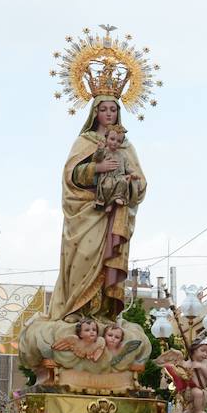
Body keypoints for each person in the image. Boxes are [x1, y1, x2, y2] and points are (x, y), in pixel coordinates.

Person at [52, 96, 148, 321]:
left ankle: (103, 313)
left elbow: (141, 184)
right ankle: (76, 309)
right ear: (95, 112)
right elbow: (70, 176)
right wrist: (98, 167)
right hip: (87, 211)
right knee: (83, 257)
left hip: (114, 212)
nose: (108, 113)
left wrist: (129, 182)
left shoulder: (126, 146)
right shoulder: (85, 141)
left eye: (113, 109)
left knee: (107, 263)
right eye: (103, 109)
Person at [92, 123, 144, 208]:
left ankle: (113, 202)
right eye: (112, 139)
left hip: (119, 177)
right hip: (107, 177)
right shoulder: (104, 151)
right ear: (106, 138)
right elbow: (96, 159)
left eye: (118, 141)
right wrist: (100, 150)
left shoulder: (122, 155)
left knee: (123, 182)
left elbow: (127, 167)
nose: (115, 142)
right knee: (107, 186)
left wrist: (133, 173)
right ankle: (108, 204)